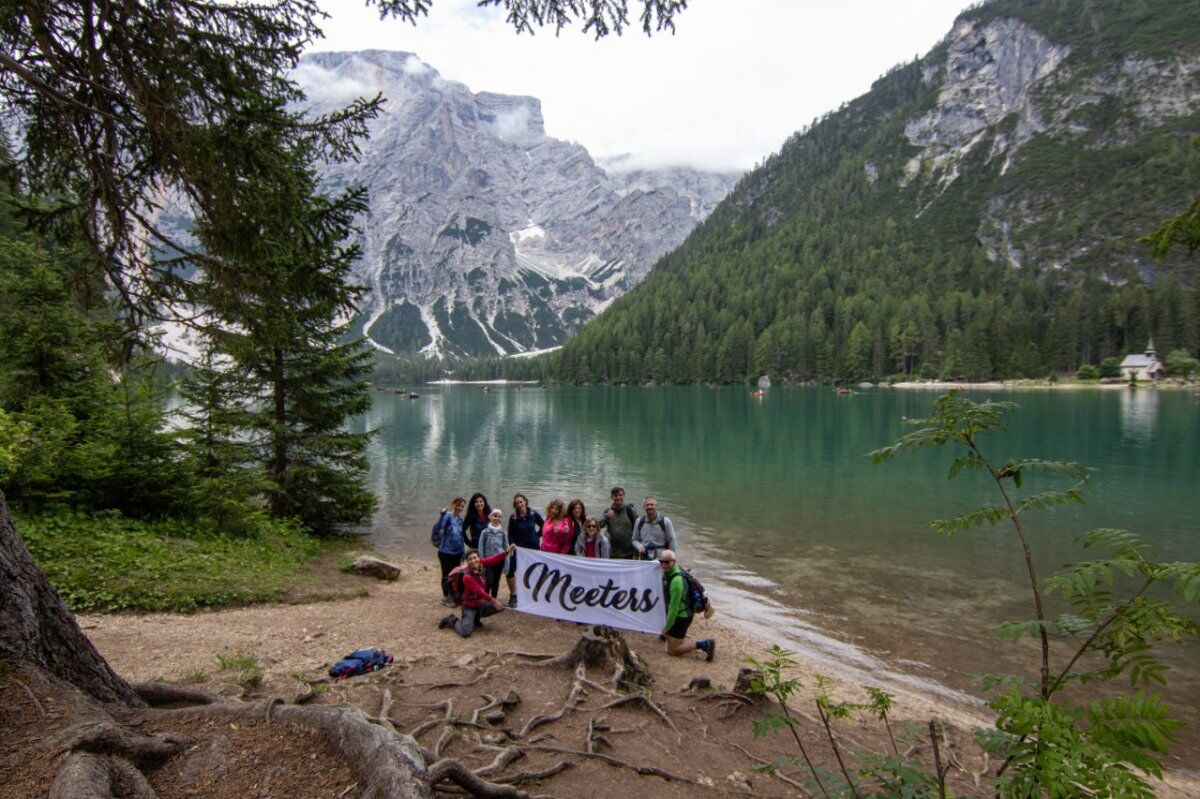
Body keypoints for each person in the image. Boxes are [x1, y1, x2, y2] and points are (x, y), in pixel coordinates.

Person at [438, 544, 518, 638]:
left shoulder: (480, 565)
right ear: (467, 562)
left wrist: (507, 552)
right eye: (470, 559)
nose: (473, 561)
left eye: (475, 558)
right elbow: (479, 591)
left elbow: (494, 559)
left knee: (500, 607)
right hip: (469, 605)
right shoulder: (467, 576)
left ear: (479, 558)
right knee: (466, 633)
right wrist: (493, 600)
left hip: (479, 603)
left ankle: (476, 618)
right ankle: (451, 620)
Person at [658, 549, 714, 660]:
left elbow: (673, 609)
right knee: (672, 640)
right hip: (684, 613)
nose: (664, 565)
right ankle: (677, 638)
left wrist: (667, 627)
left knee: (672, 651)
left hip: (682, 617)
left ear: (674, 561)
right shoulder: (673, 571)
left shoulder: (676, 582)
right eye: (661, 562)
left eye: (667, 562)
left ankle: (705, 644)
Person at [506, 493, 543, 607]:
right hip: (518, 547)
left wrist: (536, 536)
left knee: (534, 570)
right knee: (510, 571)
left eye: (521, 502)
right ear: (515, 505)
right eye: (517, 503)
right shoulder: (513, 517)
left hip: (533, 548)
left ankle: (533, 594)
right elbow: (510, 533)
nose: (519, 504)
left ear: (525, 501)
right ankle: (513, 596)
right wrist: (512, 543)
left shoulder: (533, 513)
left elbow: (544, 525)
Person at [431, 497, 467, 607]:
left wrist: (463, 552)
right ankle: (446, 597)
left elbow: (461, 537)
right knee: (446, 575)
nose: (460, 508)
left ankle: (453, 596)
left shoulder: (460, 519)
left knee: (455, 574)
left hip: (457, 552)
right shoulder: (447, 516)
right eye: (458, 505)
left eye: (462, 506)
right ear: (453, 504)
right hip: (445, 551)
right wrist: (442, 515)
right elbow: (439, 528)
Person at [599, 486, 639, 559]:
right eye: (615, 495)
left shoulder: (630, 511)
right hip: (611, 553)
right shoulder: (608, 511)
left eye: (620, 495)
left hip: (628, 553)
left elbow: (638, 529)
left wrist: (637, 551)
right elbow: (597, 526)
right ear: (612, 497)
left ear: (624, 496)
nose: (618, 497)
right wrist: (606, 517)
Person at [632, 497, 676, 561]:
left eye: (652, 504)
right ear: (644, 507)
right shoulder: (639, 521)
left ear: (656, 506)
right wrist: (639, 546)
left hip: (661, 558)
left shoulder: (665, 521)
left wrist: (672, 558)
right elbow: (634, 540)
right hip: (644, 556)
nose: (649, 507)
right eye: (647, 505)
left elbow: (672, 540)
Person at [478, 508, 509, 599]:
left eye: (499, 517)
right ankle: (486, 598)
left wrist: (506, 561)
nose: (497, 518)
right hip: (488, 561)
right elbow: (480, 548)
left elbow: (505, 547)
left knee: (496, 581)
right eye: (495, 516)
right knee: (488, 581)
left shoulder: (502, 532)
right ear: (490, 517)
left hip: (499, 561)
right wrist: (481, 562)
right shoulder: (485, 532)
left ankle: (494, 599)